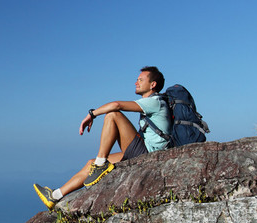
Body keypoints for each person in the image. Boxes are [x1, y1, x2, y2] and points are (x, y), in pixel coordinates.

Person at [34, 66, 170, 209]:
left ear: (152, 84)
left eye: (141, 80)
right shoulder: (151, 103)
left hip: (149, 154)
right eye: (137, 80)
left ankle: (100, 164)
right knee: (90, 163)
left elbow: (116, 105)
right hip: (143, 149)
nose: (136, 83)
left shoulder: (155, 101)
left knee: (113, 114)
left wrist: (92, 114)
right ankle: (54, 196)